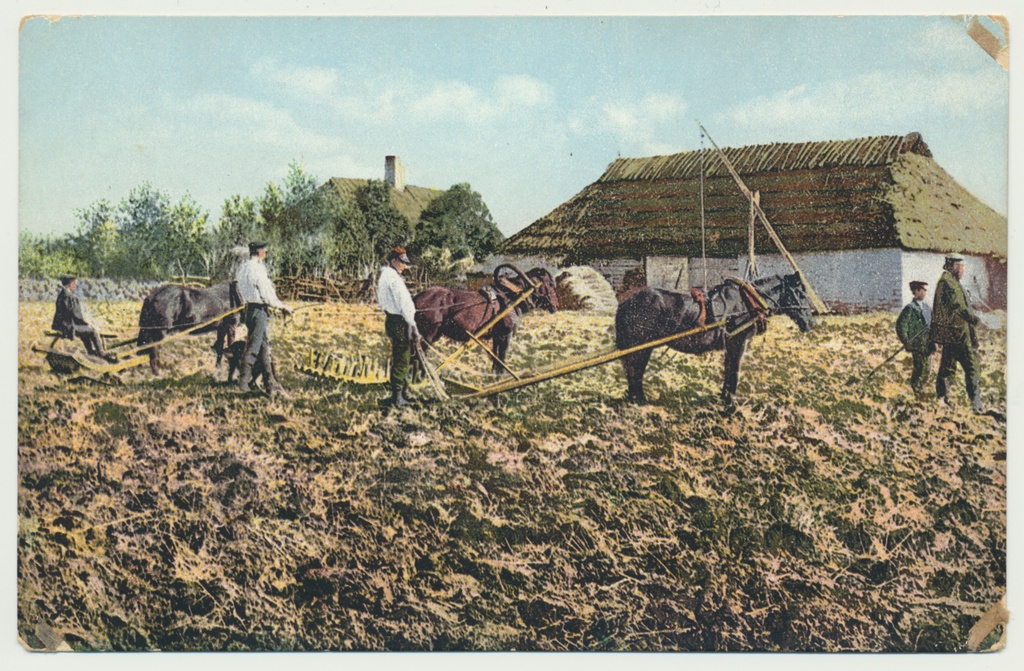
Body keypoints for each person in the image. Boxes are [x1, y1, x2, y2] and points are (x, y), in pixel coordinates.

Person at [234, 242, 293, 397]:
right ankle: (243, 385)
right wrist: (282, 307)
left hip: (248, 309)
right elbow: (266, 292)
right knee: (254, 347)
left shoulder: (243, 267)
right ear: (259, 252)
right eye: (264, 250)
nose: (265, 252)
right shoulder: (257, 269)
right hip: (258, 310)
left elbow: (238, 288)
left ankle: (269, 382)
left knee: (263, 347)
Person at [931, 256, 983, 412]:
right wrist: (975, 320)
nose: (962, 270)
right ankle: (976, 405)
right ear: (952, 266)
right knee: (972, 367)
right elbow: (958, 306)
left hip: (951, 334)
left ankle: (942, 399)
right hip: (959, 334)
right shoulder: (950, 284)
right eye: (960, 266)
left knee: (947, 368)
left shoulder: (947, 281)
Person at [377, 247, 421, 409]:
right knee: (402, 358)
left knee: (399, 357)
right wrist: (413, 325)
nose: (405, 266)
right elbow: (404, 304)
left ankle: (399, 394)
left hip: (391, 319)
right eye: (402, 262)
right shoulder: (394, 280)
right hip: (400, 321)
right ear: (394, 260)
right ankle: (397, 398)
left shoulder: (385, 276)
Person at [51, 275, 112, 360]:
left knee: (85, 330)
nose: (75, 286)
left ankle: (91, 352)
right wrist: (88, 324)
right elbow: (76, 316)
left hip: (60, 324)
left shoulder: (61, 295)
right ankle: (101, 353)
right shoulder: (71, 297)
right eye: (74, 283)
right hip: (69, 326)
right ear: (70, 284)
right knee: (93, 331)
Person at [895, 280, 934, 395]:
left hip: (928, 344)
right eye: (922, 290)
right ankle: (916, 388)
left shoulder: (927, 308)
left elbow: (933, 324)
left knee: (927, 369)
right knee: (920, 367)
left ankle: (921, 388)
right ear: (915, 292)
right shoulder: (910, 309)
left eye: (925, 291)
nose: (924, 293)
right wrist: (906, 341)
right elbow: (901, 326)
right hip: (916, 344)